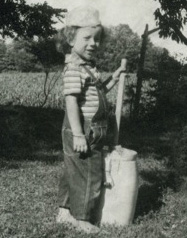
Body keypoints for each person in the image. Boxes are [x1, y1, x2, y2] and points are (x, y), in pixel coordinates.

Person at [55, 6, 126, 233]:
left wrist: (113, 79)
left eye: (96, 39)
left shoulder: (88, 69)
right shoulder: (75, 68)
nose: (93, 44)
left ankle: (65, 211)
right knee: (89, 174)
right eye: (86, 38)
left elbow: (99, 92)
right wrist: (77, 133)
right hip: (83, 131)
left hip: (90, 130)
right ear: (70, 39)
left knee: (73, 170)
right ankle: (82, 218)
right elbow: (71, 102)